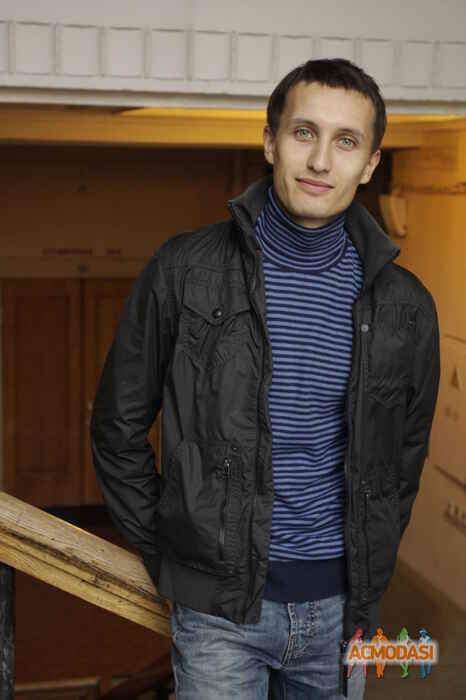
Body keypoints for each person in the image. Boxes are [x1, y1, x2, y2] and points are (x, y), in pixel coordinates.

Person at [90, 58, 441, 699]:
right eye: (304, 132)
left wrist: (368, 567)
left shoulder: (406, 305)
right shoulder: (184, 270)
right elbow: (117, 428)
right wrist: (172, 553)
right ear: (270, 142)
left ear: (369, 164)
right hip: (218, 615)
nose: (320, 161)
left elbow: (402, 460)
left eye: (345, 141)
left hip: (342, 611)